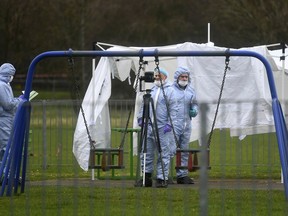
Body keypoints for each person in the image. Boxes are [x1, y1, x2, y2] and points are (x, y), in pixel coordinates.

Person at [136, 68, 177, 188]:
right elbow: (144, 106)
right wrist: (140, 118)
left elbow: (173, 109)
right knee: (146, 151)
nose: (157, 78)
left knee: (163, 152)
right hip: (149, 126)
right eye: (156, 76)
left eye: (159, 76)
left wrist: (170, 123)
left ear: (165, 77)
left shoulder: (170, 91)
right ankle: (146, 177)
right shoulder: (151, 90)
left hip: (162, 127)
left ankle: (161, 178)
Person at [171, 66, 198, 184]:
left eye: (186, 76)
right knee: (170, 149)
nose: (184, 78)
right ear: (177, 77)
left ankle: (182, 175)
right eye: (182, 76)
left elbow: (194, 103)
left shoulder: (191, 90)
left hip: (187, 124)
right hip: (173, 123)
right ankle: (164, 175)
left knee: (184, 150)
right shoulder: (171, 90)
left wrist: (194, 110)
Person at [0, 63, 22, 167]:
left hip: (5, 119)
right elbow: (8, 104)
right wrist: (19, 100)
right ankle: (8, 176)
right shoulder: (2, 85)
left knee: (5, 147)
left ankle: (4, 174)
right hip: (4, 119)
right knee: (6, 146)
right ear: (9, 75)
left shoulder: (4, 84)